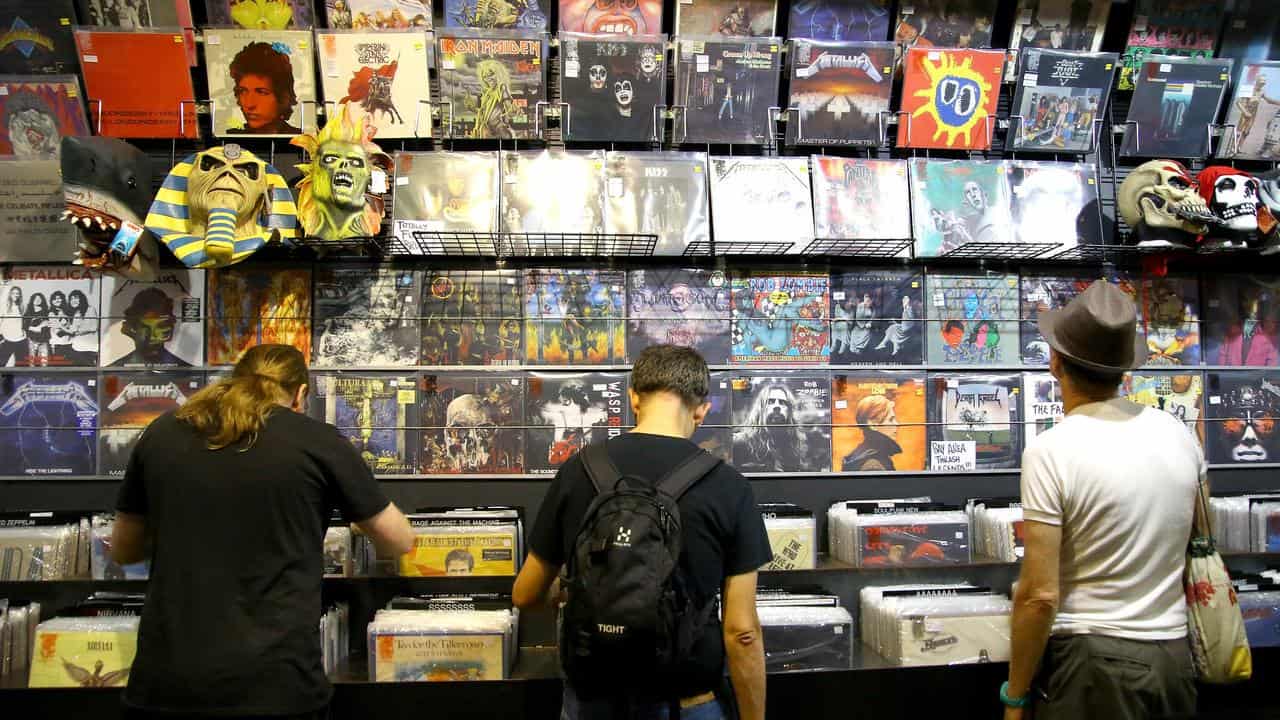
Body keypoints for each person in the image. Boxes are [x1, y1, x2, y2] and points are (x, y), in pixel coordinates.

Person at [111, 344, 414, 719]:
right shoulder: (317, 441)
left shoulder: (162, 433)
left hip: (166, 682)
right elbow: (398, 540)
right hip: (275, 683)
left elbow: (123, 550)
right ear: (301, 394)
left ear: (236, 380)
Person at [514, 344, 771, 720]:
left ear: (634, 398)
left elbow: (525, 593)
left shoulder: (577, 471)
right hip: (687, 704)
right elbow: (742, 632)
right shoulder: (729, 486)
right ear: (702, 408)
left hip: (593, 703)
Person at [1002, 281, 1199, 720]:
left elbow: (1039, 595)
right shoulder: (1178, 434)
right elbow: (1199, 540)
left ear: (1055, 363)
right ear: (1124, 368)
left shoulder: (1051, 451)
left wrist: (1015, 697)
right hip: (1174, 656)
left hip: (1093, 664)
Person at [229, 41, 301, 135]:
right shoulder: (229, 137)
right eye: (243, 91)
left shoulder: (300, 139)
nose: (249, 104)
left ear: (283, 96)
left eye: (261, 92)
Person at [0, 285, 25, 366]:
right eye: (13, 293)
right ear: (10, 294)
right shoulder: (4, 306)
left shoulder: (21, 307)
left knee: (20, 364)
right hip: (7, 339)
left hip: (20, 339)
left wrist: (23, 332)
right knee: (2, 363)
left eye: (17, 293)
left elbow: (21, 322)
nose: (15, 295)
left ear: (20, 295)